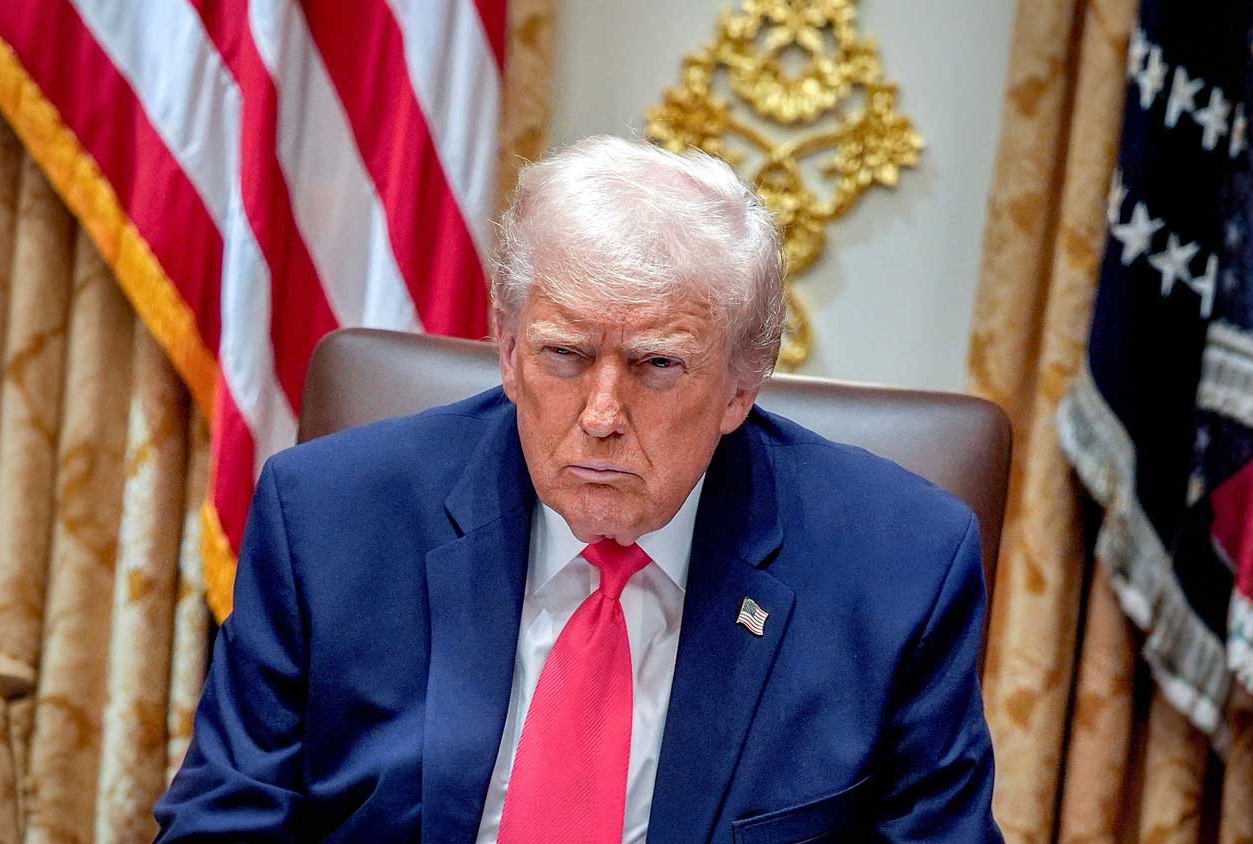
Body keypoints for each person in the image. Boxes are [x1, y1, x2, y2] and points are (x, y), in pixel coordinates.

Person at [155, 135, 1001, 843]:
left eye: (657, 365)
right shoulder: (328, 519)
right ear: (509, 348)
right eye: (564, 355)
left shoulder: (899, 571)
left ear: (743, 384)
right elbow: (223, 822)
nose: (601, 414)